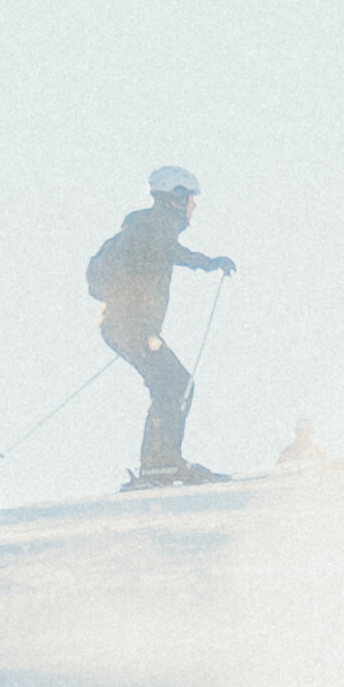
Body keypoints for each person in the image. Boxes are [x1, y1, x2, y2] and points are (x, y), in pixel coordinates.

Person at [84, 165, 236, 486]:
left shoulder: (145, 226)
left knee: (172, 385)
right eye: (190, 199)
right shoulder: (153, 227)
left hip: (125, 325)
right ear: (176, 198)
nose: (194, 207)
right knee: (175, 385)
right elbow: (170, 251)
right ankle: (159, 465)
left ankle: (162, 462)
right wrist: (210, 263)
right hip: (130, 326)